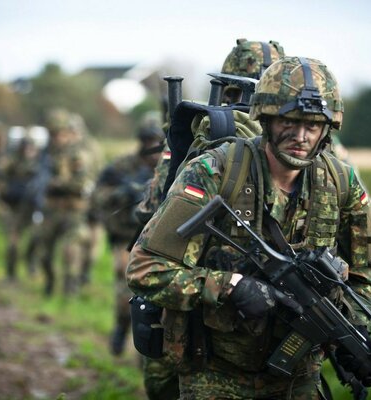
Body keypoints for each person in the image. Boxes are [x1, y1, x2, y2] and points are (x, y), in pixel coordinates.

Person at [127, 56, 371, 399]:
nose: (300, 136)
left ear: (327, 128)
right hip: (215, 371)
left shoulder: (341, 183)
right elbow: (145, 269)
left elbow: (365, 275)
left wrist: (355, 333)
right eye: (288, 122)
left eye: (312, 125)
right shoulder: (216, 171)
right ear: (265, 117)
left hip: (298, 374)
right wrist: (227, 286)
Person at [133, 39, 285, 400]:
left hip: (214, 306)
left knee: (165, 384)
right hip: (205, 297)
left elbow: (152, 206)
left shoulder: (205, 131)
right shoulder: (304, 145)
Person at [91, 112, 165, 356]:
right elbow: (97, 195)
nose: (151, 147)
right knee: (126, 292)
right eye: (147, 140)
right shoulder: (122, 166)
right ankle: (121, 328)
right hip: (126, 237)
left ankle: (145, 351)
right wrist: (123, 193)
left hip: (160, 241)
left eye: (156, 140)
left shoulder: (173, 166)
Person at [39, 108, 102, 296]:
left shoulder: (79, 154)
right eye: (53, 134)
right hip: (51, 210)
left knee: (71, 252)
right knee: (44, 253)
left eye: (59, 133)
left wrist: (58, 183)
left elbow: (83, 183)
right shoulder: (47, 153)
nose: (56, 137)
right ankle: (50, 284)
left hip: (74, 211)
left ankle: (70, 290)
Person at [0, 136, 41, 281]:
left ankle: (31, 263)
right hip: (14, 207)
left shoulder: (42, 164)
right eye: (26, 148)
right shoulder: (11, 161)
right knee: (13, 241)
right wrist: (1, 197)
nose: (29, 151)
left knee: (36, 237)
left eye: (32, 148)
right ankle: (11, 274)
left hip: (32, 208)